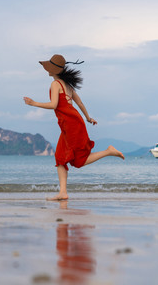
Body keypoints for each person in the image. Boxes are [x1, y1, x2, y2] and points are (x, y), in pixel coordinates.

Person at [23, 54, 124, 201]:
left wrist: (34, 103)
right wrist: (88, 118)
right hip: (74, 122)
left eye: (49, 68)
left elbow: (54, 105)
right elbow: (80, 103)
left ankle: (108, 151)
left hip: (71, 124)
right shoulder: (67, 85)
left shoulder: (56, 84)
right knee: (61, 157)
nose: (47, 70)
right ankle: (63, 192)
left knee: (76, 160)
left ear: (55, 70)